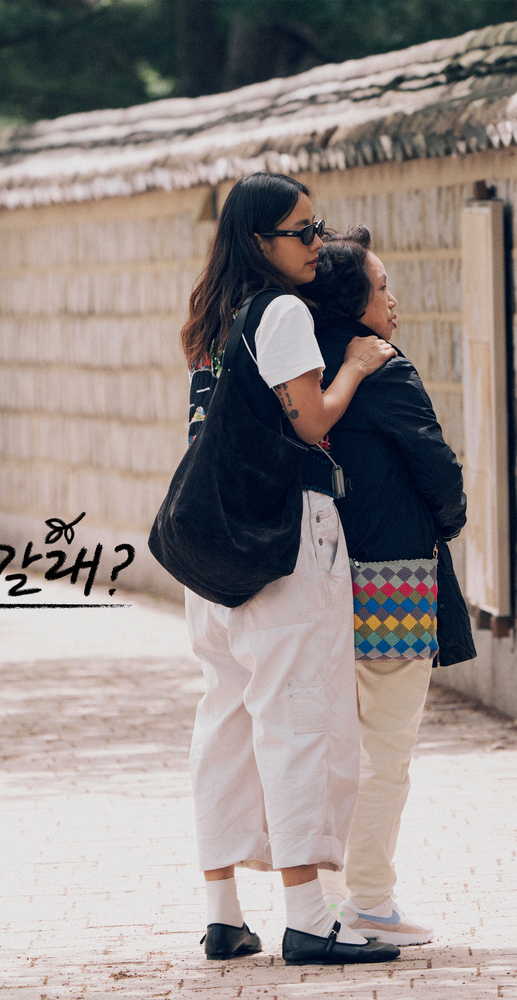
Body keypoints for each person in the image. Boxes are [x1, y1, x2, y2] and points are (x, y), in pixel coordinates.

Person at [181, 172, 400, 966]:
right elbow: (310, 421)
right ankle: (310, 916)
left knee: (227, 719)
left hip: (211, 543)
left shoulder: (213, 320)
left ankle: (223, 914)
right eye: (301, 232)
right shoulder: (281, 312)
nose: (316, 244)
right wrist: (356, 366)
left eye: (316, 228)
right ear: (259, 242)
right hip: (284, 534)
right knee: (301, 713)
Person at [305, 225, 474, 946]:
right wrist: (450, 518)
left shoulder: (305, 367)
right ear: (353, 300)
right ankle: (370, 900)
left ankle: (328, 900)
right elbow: (436, 465)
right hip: (396, 577)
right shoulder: (381, 366)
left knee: (334, 744)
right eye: (381, 287)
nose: (393, 300)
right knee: (388, 748)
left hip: (321, 576)